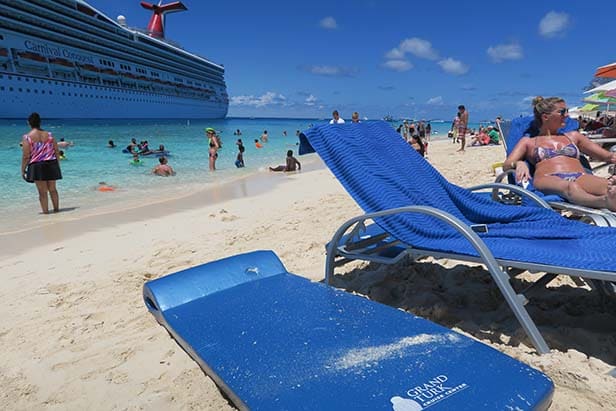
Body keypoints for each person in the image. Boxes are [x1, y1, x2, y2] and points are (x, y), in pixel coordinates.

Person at [504, 96, 616, 211]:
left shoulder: (574, 136)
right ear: (545, 117)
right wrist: (518, 163)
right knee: (570, 187)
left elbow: (607, 156)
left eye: (567, 111)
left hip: (579, 176)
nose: (567, 115)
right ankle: (603, 202)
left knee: (608, 186)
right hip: (547, 178)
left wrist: (613, 157)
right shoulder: (528, 142)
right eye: (562, 112)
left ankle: (610, 199)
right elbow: (507, 165)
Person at [21, 112, 62, 214]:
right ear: (40, 122)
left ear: (29, 123)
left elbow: (26, 156)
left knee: (42, 192)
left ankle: (46, 213)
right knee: (53, 189)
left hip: (37, 165)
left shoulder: (27, 137)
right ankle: (56, 210)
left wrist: (23, 169)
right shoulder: (49, 135)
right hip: (51, 163)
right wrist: (57, 164)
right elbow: (56, 151)